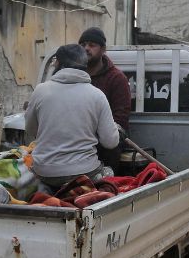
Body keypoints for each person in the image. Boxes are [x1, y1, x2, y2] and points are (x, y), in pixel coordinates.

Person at [25, 44, 120, 190]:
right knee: (108, 172)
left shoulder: (40, 91)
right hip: (84, 172)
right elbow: (110, 142)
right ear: (84, 64)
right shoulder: (97, 95)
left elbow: (30, 134)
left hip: (44, 172)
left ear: (57, 63)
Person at [79, 27, 130, 168]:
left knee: (110, 146)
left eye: (92, 45)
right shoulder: (74, 75)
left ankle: (106, 183)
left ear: (103, 49)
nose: (86, 48)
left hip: (108, 135)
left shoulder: (116, 78)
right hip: (78, 133)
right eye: (82, 45)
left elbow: (120, 117)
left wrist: (95, 135)